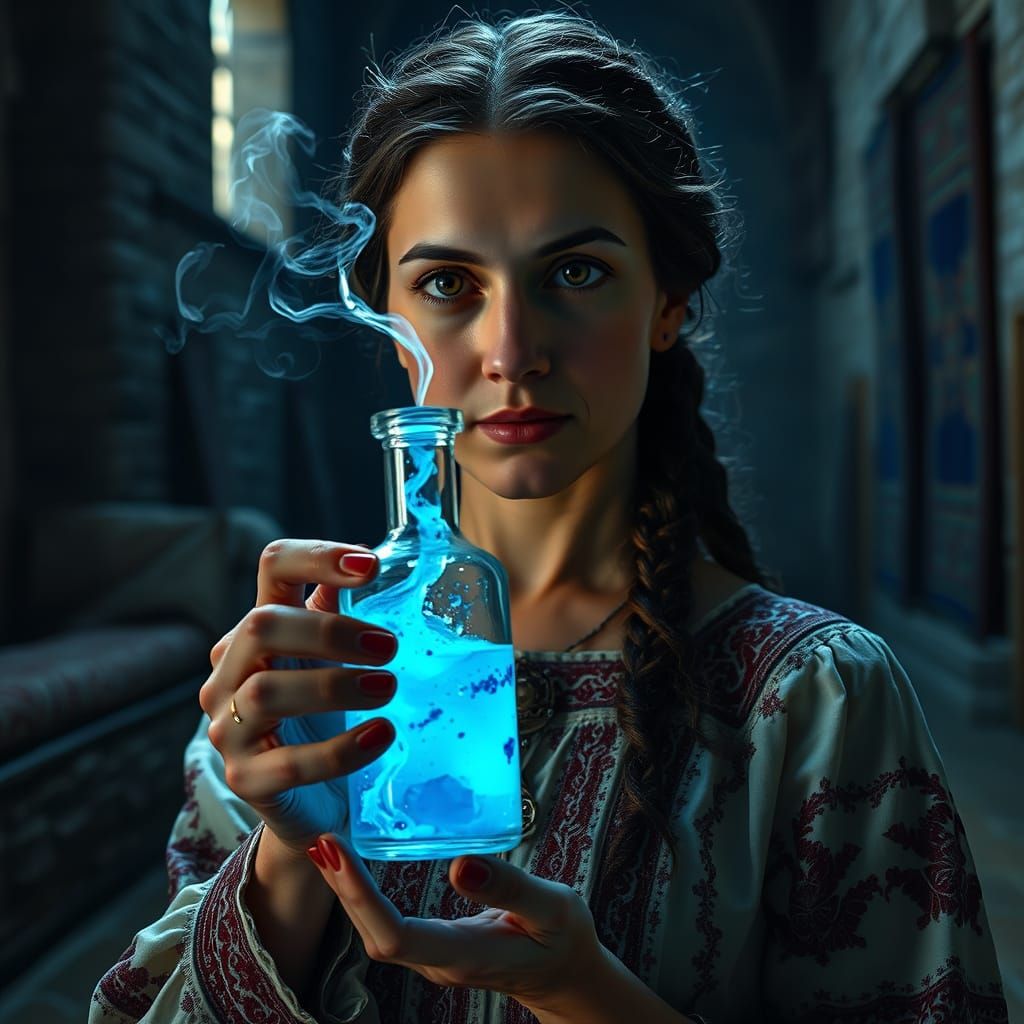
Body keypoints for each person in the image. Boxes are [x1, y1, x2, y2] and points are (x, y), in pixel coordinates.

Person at [90, 9, 1009, 1024]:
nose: (511, 346)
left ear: (667, 300)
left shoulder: (818, 703)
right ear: (385, 320)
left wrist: (584, 994)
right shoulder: (303, 679)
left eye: (575, 271)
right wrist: (292, 855)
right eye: (447, 283)